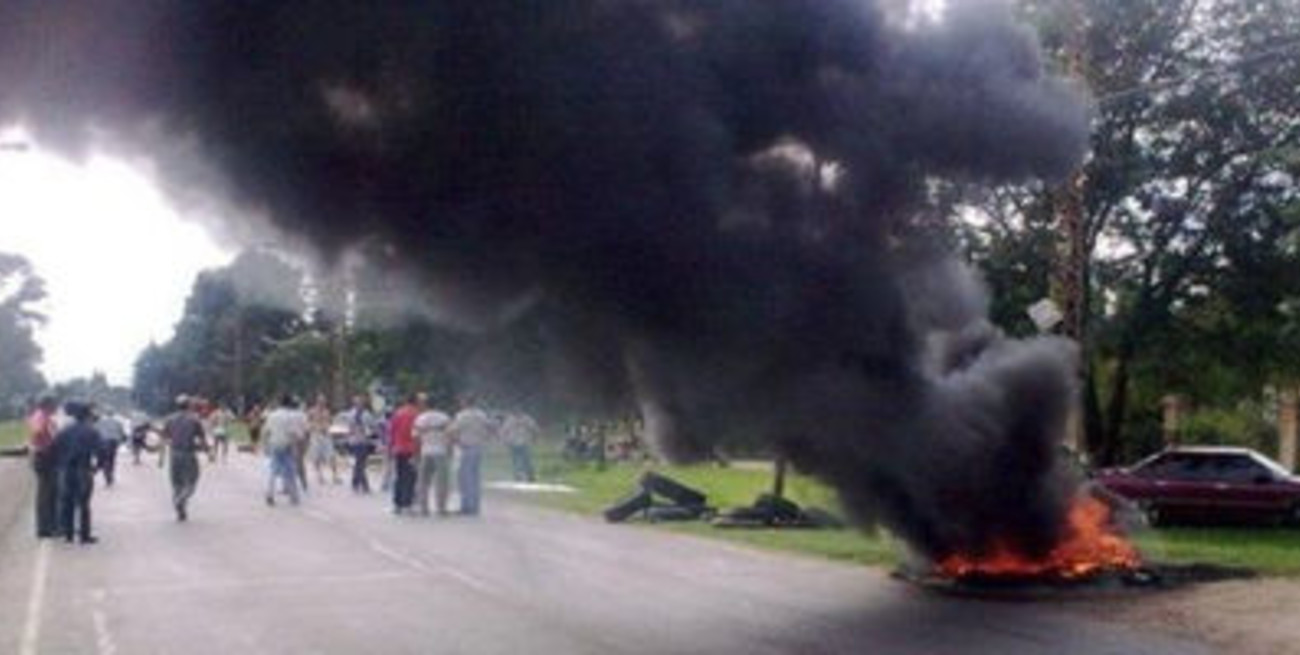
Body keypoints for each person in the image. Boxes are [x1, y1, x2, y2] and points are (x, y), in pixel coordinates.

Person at [51, 402, 103, 544]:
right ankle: (84, 535)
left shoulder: (64, 431)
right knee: (84, 504)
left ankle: (68, 534)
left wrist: (59, 463)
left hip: (66, 469)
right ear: (87, 416)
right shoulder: (92, 431)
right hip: (83, 469)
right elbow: (101, 451)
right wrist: (97, 467)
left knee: (67, 502)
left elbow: (54, 447)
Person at [448, 395, 494, 516]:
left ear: (465, 403)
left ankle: (466, 506)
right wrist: (486, 439)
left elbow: (452, 431)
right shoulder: (481, 414)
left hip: (466, 448)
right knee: (475, 478)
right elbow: (491, 428)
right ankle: (475, 506)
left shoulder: (461, 415)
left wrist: (455, 442)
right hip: (478, 448)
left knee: (465, 479)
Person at [164, 396, 208, 522]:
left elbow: (164, 438)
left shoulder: (170, 419)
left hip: (174, 454)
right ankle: (181, 500)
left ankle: (180, 509)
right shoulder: (194, 420)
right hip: (189, 454)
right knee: (191, 482)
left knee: (176, 483)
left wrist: (161, 457)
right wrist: (207, 451)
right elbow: (202, 439)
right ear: (188, 405)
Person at [261, 394, 307, 507]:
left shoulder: (272, 415)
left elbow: (266, 431)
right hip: (286, 445)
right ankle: (294, 496)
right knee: (290, 471)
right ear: (289, 404)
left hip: (274, 444)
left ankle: (269, 494)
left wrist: (265, 445)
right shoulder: (289, 416)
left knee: (273, 471)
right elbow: (294, 433)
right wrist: (300, 442)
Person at [26, 396, 60, 538]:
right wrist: (48, 443)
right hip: (44, 457)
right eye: (54, 405)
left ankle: (49, 526)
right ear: (48, 405)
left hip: (45, 457)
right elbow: (37, 432)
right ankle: (45, 528)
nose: (56, 408)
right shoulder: (40, 416)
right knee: (46, 494)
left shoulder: (43, 416)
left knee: (50, 493)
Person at [414, 398, 453, 516]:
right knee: (442, 482)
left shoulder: (421, 418)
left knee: (423, 482)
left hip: (426, 451)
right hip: (441, 452)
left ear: (426, 405)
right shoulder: (444, 417)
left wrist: (416, 453)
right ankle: (441, 508)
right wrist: (449, 450)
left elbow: (415, 436)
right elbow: (450, 435)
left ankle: (424, 508)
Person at [388, 394, 421, 514]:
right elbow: (418, 433)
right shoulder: (417, 415)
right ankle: (408, 503)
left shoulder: (397, 414)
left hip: (398, 449)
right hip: (412, 450)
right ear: (415, 402)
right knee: (411, 477)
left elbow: (391, 432)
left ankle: (397, 504)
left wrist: (390, 447)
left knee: (400, 476)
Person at [346, 395, 378, 494]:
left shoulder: (367, 414)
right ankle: (362, 485)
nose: (359, 405)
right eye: (357, 403)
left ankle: (358, 484)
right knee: (359, 462)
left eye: (361, 403)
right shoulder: (351, 414)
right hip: (355, 440)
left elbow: (373, 427)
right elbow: (349, 427)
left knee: (361, 463)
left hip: (364, 440)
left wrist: (368, 431)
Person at [307, 395, 339, 485]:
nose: (322, 403)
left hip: (326, 435)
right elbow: (308, 423)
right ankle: (319, 476)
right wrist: (313, 427)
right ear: (317, 402)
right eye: (320, 401)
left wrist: (327, 427)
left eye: (323, 402)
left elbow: (330, 422)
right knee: (316, 457)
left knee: (332, 455)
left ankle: (335, 476)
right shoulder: (312, 411)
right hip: (316, 435)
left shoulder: (327, 412)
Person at [501, 411, 540, 483]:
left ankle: (529, 475)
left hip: (522, 442)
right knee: (517, 460)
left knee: (525, 459)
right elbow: (504, 431)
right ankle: (519, 475)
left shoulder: (526, 419)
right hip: (514, 442)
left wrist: (535, 438)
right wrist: (505, 440)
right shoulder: (511, 420)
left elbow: (534, 429)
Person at [94, 411, 127, 487]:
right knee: (111, 459)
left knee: (104, 459)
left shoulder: (100, 422)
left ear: (106, 414)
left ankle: (106, 475)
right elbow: (121, 433)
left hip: (103, 442)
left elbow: (95, 431)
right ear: (112, 415)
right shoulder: (118, 422)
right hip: (113, 442)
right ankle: (110, 474)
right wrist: (123, 439)